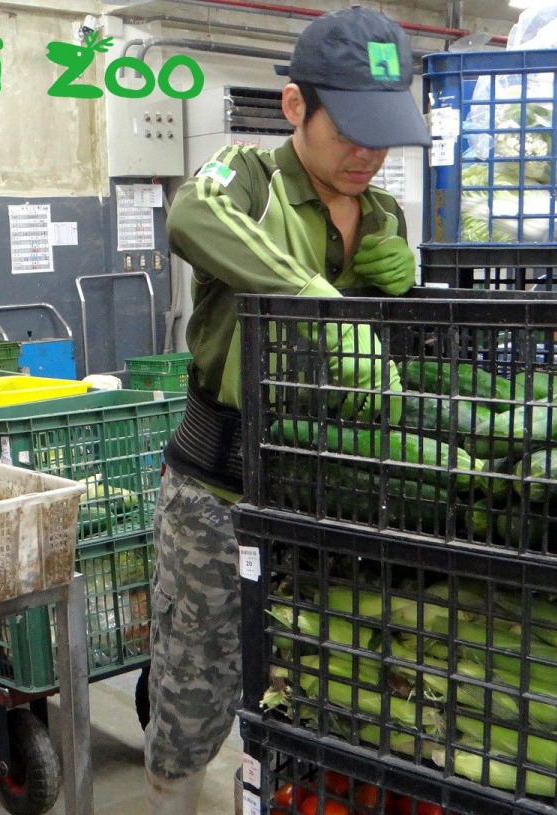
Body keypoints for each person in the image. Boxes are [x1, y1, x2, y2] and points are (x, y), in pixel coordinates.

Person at [143, 6, 430, 814]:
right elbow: (189, 218)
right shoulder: (246, 180)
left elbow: (384, 368)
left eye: (383, 135)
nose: (368, 154)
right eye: (352, 130)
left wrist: (393, 293)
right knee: (192, 701)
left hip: (323, 503)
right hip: (219, 498)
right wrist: (313, 294)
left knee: (306, 696)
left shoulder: (382, 218)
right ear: (297, 106)